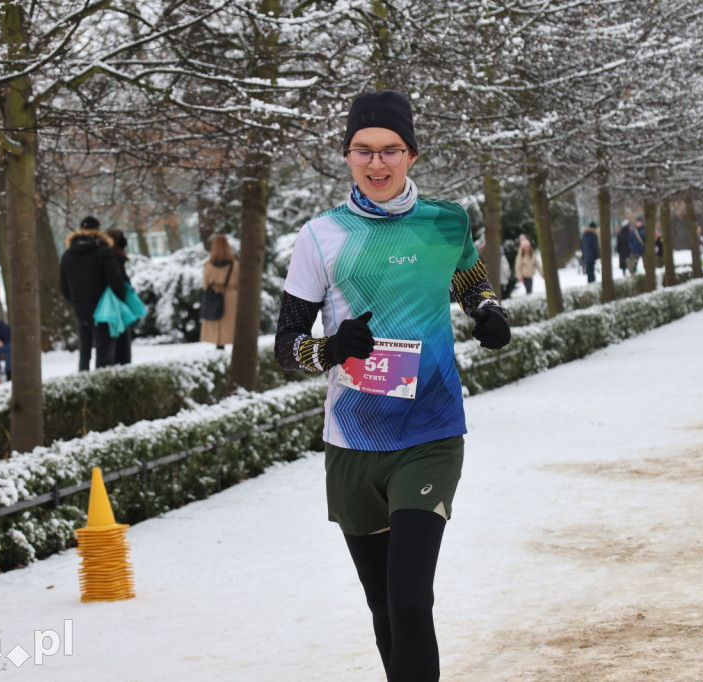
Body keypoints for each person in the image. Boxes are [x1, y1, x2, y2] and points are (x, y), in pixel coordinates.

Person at [273, 89, 511, 682]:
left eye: (390, 150)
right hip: (353, 442)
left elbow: (471, 282)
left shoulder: (446, 221)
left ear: (412, 154)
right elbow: (287, 346)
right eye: (363, 151)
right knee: (384, 609)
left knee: (410, 599)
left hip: (430, 433)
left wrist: (487, 312)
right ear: (347, 155)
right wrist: (331, 349)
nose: (376, 164)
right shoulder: (321, 236)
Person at [60, 215, 126, 371]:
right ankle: (101, 386)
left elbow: (63, 286)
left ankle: (83, 382)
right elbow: (115, 280)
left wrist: (76, 301)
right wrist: (120, 299)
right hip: (103, 308)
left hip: (80, 309)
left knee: (84, 351)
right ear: (98, 230)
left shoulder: (67, 255)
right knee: (104, 351)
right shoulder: (103, 252)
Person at [199, 234, 239, 350]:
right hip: (231, 298)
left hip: (214, 296)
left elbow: (205, 286)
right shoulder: (235, 265)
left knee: (217, 324)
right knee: (231, 325)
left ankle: (219, 347)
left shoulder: (208, 266)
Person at [104, 228, 134, 365]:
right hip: (116, 304)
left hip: (110, 303)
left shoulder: (107, 255)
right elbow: (119, 280)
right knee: (121, 341)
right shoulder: (113, 257)